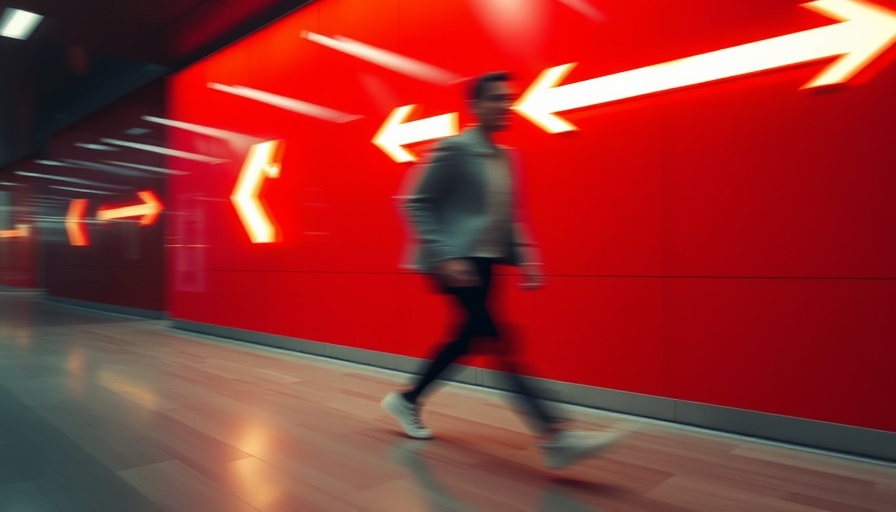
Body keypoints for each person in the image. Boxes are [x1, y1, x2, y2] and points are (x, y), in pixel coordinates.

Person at [382, 71, 624, 469]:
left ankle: (406, 400)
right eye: (496, 99)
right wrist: (445, 256)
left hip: (487, 261)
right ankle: (556, 435)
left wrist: (526, 257)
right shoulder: (454, 148)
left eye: (508, 98)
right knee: (499, 341)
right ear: (476, 107)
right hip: (454, 263)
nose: (505, 105)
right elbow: (414, 201)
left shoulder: (507, 157)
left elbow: (508, 214)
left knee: (467, 340)